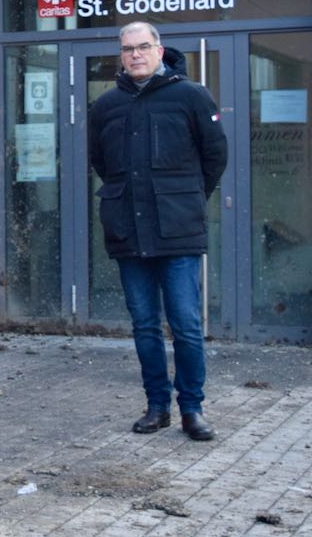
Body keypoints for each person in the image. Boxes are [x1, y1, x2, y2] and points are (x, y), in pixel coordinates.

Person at [87, 22, 227, 441]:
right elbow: (101, 163)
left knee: (184, 323)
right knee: (144, 325)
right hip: (129, 232)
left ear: (160, 50)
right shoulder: (107, 105)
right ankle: (156, 406)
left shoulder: (191, 96)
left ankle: (192, 408)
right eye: (127, 48)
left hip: (177, 231)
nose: (135, 55)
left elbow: (214, 156)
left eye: (143, 47)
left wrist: (184, 198)